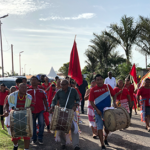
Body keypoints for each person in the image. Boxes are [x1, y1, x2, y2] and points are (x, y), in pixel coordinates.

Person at [50, 80, 80, 150]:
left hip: (71, 112)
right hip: (62, 112)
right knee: (60, 128)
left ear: (68, 84)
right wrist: (52, 106)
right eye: (61, 85)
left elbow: (78, 99)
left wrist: (75, 105)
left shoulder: (73, 90)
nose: (62, 86)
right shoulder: (59, 92)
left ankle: (76, 145)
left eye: (64, 85)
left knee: (74, 128)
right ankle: (63, 143)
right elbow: (54, 100)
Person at [89, 74, 116, 150]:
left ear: (102, 80)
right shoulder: (93, 89)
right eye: (97, 80)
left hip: (108, 111)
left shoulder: (107, 86)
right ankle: (102, 144)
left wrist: (114, 102)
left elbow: (114, 95)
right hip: (98, 112)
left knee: (107, 127)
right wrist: (97, 110)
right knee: (99, 127)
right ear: (95, 81)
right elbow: (91, 101)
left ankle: (105, 138)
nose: (99, 81)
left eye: (100, 79)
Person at [3, 83, 34, 150]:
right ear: (18, 88)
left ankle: (26, 149)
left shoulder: (29, 97)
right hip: (14, 117)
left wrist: (26, 108)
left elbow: (33, 107)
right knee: (14, 136)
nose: (24, 89)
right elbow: (6, 105)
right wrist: (6, 111)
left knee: (27, 134)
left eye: (25, 88)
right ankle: (16, 145)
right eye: (22, 88)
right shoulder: (12, 96)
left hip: (26, 117)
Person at [27, 76, 49, 145]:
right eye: (32, 80)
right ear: (30, 82)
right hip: (31, 111)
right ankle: (34, 139)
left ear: (38, 82)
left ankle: (40, 138)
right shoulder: (27, 91)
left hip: (40, 110)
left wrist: (47, 108)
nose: (33, 81)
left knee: (42, 124)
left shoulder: (41, 90)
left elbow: (45, 100)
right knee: (33, 126)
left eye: (35, 80)